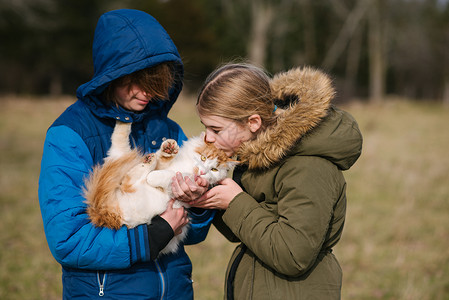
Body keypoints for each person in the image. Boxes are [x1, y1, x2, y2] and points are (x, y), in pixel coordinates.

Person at [38, 9, 212, 299]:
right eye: (134, 80)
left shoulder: (167, 128)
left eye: (155, 81)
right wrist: (149, 238)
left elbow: (192, 232)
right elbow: (67, 240)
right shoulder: (68, 135)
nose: (145, 92)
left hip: (175, 290)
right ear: (111, 75)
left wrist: (199, 204)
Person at [179, 63, 363, 299]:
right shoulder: (256, 156)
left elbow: (293, 255)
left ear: (253, 123)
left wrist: (234, 202)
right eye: (205, 127)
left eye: (216, 129)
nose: (207, 138)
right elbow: (244, 231)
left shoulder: (307, 166)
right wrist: (207, 196)